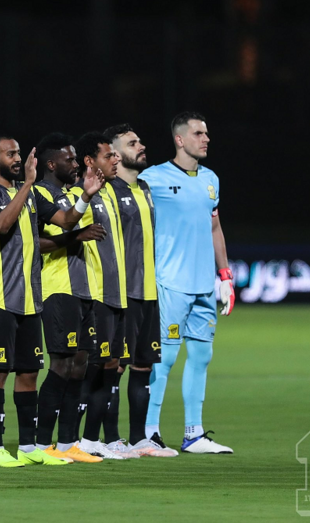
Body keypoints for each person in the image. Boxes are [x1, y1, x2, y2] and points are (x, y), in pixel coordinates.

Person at [0, 135, 103, 468]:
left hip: (31, 296)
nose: (17, 158)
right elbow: (1, 226)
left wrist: (86, 196)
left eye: (19, 152)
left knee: (29, 372)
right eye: (10, 153)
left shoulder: (29, 194)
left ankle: (30, 447)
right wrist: (28, 184)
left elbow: (65, 220)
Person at [139, 112, 235, 454]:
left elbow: (214, 229)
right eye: (198, 133)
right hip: (171, 282)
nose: (206, 138)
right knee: (163, 359)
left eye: (206, 133)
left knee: (201, 356)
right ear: (180, 140)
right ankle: (148, 432)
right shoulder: (153, 179)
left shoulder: (211, 179)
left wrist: (224, 276)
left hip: (203, 286)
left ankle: (193, 434)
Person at [33, 134, 113, 462]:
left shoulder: (71, 194)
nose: (76, 163)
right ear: (52, 164)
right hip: (57, 288)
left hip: (83, 289)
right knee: (61, 364)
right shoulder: (38, 192)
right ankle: (40, 444)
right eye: (69, 159)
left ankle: (67, 443)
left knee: (80, 365)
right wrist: (75, 235)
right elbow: (35, 243)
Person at [102, 124, 172, 457]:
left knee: (143, 366)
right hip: (121, 294)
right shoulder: (107, 191)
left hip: (148, 292)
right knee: (114, 366)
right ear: (114, 153)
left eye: (140, 141)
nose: (141, 146)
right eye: (133, 143)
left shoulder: (144, 187)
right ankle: (112, 438)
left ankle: (138, 438)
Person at [64, 132, 130, 461]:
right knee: (90, 365)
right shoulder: (80, 194)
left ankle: (92, 437)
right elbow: (65, 232)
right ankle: (74, 438)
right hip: (96, 292)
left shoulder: (112, 193)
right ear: (90, 161)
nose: (115, 160)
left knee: (112, 365)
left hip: (118, 293)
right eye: (108, 156)